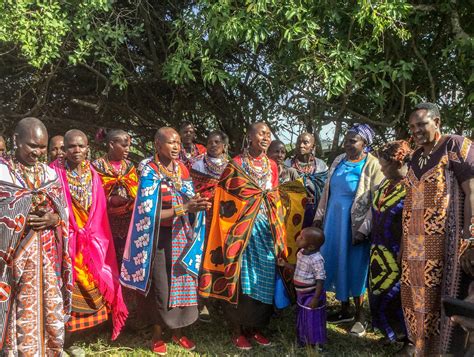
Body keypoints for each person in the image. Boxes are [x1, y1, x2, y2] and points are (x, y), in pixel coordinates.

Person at [120, 127, 211, 355]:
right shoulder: (149, 171)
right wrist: (185, 207)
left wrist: (197, 207)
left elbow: (189, 200)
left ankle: (179, 332)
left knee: (183, 282)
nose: (176, 147)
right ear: (157, 145)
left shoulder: (181, 169)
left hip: (181, 236)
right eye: (170, 142)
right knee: (161, 287)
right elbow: (149, 214)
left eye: (178, 143)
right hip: (156, 238)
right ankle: (157, 335)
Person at [199, 122, 287, 350]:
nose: (266, 137)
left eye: (269, 134)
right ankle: (237, 330)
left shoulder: (272, 166)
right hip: (240, 233)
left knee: (264, 279)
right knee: (241, 280)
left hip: (265, 230)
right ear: (249, 136)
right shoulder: (236, 165)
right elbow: (224, 198)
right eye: (261, 133)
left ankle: (255, 328)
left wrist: (278, 228)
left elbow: (275, 198)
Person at [401, 102, 474, 355]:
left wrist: (471, 240)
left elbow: (472, 191)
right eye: (412, 127)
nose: (417, 130)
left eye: (422, 124)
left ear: (437, 122)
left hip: (447, 248)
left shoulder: (454, 145)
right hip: (415, 251)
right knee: (420, 307)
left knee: (449, 308)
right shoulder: (414, 157)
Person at [0, 117, 72, 355]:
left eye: (42, 147)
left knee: (49, 301)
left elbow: (62, 210)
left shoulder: (49, 173)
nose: (38, 152)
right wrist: (21, 215)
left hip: (47, 255)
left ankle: (49, 349)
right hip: (13, 258)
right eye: (32, 145)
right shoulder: (3, 171)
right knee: (17, 306)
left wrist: (54, 219)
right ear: (15, 140)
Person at [51, 129, 127, 343]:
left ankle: (79, 336)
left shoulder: (92, 174)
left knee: (95, 282)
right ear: (64, 149)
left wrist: (91, 234)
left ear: (88, 148)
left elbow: (99, 209)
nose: (76, 150)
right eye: (71, 146)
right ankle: (63, 339)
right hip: (65, 241)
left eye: (81, 146)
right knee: (65, 287)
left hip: (91, 240)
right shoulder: (53, 173)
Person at [313, 123, 384, 337]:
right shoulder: (338, 160)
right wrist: (319, 217)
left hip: (354, 225)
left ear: (365, 143)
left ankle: (360, 317)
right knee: (334, 261)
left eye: (353, 140)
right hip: (333, 222)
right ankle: (344, 310)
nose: (348, 144)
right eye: (346, 139)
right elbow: (327, 192)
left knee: (355, 267)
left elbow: (376, 200)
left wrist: (365, 228)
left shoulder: (373, 165)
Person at [368, 140, 412, 345]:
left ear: (397, 163)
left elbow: (412, 222)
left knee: (397, 296)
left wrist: (404, 249)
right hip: (378, 249)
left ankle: (405, 339)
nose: (381, 168)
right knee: (378, 291)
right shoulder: (385, 184)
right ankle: (390, 333)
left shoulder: (413, 186)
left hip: (398, 251)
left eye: (384, 165)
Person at [92, 129, 138, 265]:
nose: (128, 149)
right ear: (111, 144)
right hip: (106, 221)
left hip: (129, 220)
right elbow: (93, 194)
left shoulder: (129, 166)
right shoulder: (97, 166)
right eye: (124, 146)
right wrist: (111, 200)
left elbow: (135, 188)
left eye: (129, 146)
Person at [278, 227, 327, 350]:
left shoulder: (316, 259)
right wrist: (285, 265)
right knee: (303, 316)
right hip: (301, 294)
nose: (298, 238)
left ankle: (316, 344)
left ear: (311, 247)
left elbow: (320, 279)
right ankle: (304, 340)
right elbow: (299, 268)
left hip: (311, 294)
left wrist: (316, 298)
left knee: (313, 318)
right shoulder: (301, 253)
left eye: (302, 238)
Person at [285, 133, 327, 228]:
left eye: (305, 142)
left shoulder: (320, 165)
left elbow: (325, 190)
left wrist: (305, 181)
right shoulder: (287, 164)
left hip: (314, 210)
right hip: (293, 209)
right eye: (298, 142)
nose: (301, 145)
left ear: (313, 147)